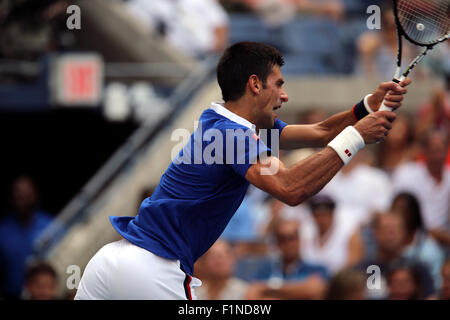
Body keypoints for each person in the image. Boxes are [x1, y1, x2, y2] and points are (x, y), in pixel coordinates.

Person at [75, 41, 410, 300]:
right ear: (255, 84)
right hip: (152, 268)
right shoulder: (233, 136)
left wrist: (365, 107)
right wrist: (358, 137)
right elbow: (291, 188)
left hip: (110, 261)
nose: (285, 94)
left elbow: (321, 132)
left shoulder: (222, 121)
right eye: (278, 84)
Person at [245, 218, 329, 299]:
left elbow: (314, 289)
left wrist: (269, 289)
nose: (289, 244)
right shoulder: (265, 269)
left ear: (300, 239)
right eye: (283, 239)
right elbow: (252, 292)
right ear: (277, 243)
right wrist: (298, 292)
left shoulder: (316, 269)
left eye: (292, 238)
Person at [356, 212, 435, 299]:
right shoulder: (361, 270)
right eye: (386, 228)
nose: (391, 233)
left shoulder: (418, 268)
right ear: (375, 233)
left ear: (404, 233)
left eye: (396, 229)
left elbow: (431, 297)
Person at [392, 130, 450, 246]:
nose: (437, 156)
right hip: (411, 236)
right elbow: (397, 210)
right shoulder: (406, 173)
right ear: (424, 151)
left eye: (439, 150)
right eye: (433, 150)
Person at [0, 175, 53, 299]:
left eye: (27, 196)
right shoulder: (3, 232)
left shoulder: (50, 227)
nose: (23, 201)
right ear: (12, 199)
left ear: (35, 196)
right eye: (19, 197)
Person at [390, 192, 445, 289]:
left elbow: (436, 284)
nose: (399, 216)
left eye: (403, 211)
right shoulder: (384, 246)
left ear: (413, 214)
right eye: (395, 210)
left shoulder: (429, 250)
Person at [300, 194, 364, 275]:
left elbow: (353, 270)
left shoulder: (349, 235)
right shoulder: (306, 235)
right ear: (312, 215)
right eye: (317, 214)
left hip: (339, 283)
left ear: (333, 213)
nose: (322, 218)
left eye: (326, 213)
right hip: (309, 281)